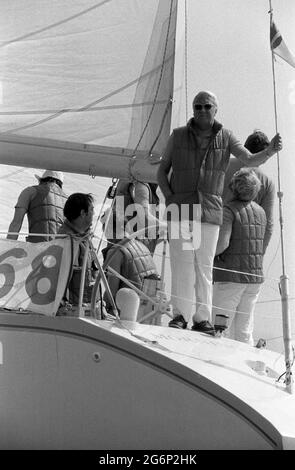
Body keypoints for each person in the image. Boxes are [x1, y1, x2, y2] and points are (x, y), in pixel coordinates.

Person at [157, 90, 282, 334]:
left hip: (210, 212)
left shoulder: (226, 136)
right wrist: (170, 198)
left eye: (207, 106)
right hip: (180, 209)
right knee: (181, 264)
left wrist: (270, 151)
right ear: (193, 110)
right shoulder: (178, 135)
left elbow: (249, 159)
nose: (202, 110)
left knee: (203, 265)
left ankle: (202, 318)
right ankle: (180, 316)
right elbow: (162, 170)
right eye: (197, 106)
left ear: (216, 109)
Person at [212, 168, 266, 344]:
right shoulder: (261, 212)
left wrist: (206, 255)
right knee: (244, 332)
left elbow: (222, 244)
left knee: (220, 330)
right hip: (254, 278)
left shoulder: (228, 211)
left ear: (233, 187)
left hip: (230, 277)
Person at [223, 130, 276, 253]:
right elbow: (268, 225)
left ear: (245, 147)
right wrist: (259, 254)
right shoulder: (267, 182)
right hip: (246, 247)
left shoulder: (224, 165)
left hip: (218, 235)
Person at [101, 211, 159, 316]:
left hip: (127, 313)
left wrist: (101, 307)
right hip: (148, 312)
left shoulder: (115, 251)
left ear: (108, 229)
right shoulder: (143, 247)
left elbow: (111, 290)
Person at [58, 193, 98, 307]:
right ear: (83, 213)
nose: (94, 213)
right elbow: (61, 278)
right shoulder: (67, 240)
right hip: (71, 310)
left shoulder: (84, 238)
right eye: (91, 210)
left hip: (86, 307)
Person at [7, 169, 67, 242]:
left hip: (37, 247)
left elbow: (16, 223)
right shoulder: (68, 200)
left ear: (41, 180)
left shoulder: (30, 191)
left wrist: (7, 248)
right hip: (60, 248)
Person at [113, 180, 162, 255]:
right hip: (133, 250)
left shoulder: (134, 181)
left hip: (123, 246)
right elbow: (144, 217)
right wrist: (169, 228)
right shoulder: (142, 185)